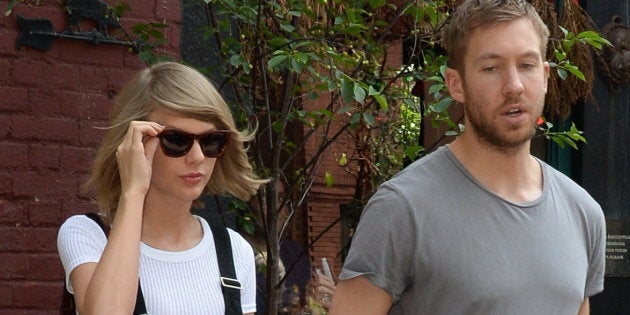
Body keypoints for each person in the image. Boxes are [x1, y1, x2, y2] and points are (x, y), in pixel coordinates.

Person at [329, 0, 606, 314]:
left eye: (527, 65)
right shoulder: (403, 208)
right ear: (456, 84)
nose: (514, 86)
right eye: (491, 68)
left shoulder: (583, 213)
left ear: (544, 76)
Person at [57, 61, 268, 314]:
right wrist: (133, 192)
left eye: (212, 140)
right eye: (177, 140)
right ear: (134, 143)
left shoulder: (234, 250)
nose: (198, 157)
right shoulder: (89, 235)